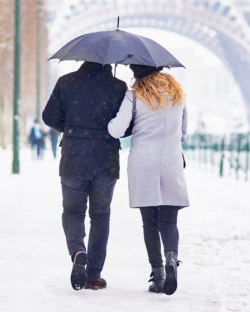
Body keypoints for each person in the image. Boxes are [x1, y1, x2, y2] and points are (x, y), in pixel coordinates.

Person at [42, 61, 127, 291]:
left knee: (72, 211)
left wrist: (71, 128)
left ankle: (78, 250)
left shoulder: (66, 82)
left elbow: (49, 117)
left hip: (73, 157)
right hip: (105, 160)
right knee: (100, 216)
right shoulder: (119, 87)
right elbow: (126, 127)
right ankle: (93, 275)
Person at [107, 64, 189, 295]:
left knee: (150, 223)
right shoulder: (177, 94)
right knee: (169, 222)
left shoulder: (134, 95)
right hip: (171, 161)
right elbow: (183, 133)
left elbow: (116, 130)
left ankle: (159, 275)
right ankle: (172, 258)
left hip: (144, 163)